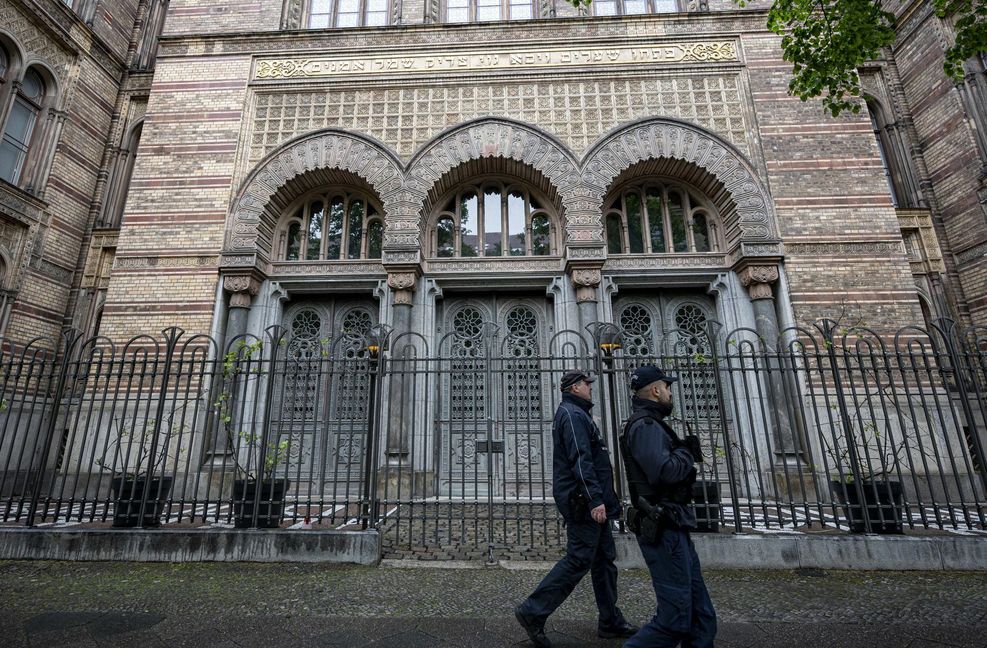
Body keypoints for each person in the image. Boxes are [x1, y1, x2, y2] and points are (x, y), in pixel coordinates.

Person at [514, 370, 638, 648]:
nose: (590, 388)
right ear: (574, 388)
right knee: (578, 559)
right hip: (583, 502)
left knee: (604, 559)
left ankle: (610, 620)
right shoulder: (571, 414)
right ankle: (532, 610)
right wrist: (595, 499)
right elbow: (581, 459)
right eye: (586, 384)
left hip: (592, 500)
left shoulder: (577, 413)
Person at [620, 364, 717, 647]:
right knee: (674, 619)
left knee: (701, 615)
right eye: (668, 387)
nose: (671, 393)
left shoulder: (651, 423)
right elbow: (663, 472)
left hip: (675, 522)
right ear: (656, 390)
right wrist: (686, 452)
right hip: (663, 525)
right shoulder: (646, 426)